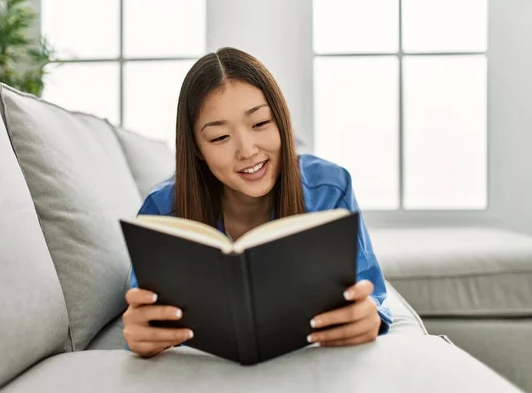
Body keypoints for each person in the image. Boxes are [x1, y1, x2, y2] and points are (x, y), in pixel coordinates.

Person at [122, 47, 393, 359]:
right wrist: (140, 334)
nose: (247, 151)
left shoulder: (330, 189)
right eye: (219, 138)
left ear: (281, 120)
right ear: (197, 149)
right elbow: (140, 312)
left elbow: (372, 296)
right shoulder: (161, 211)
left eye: (261, 123)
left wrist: (367, 316)